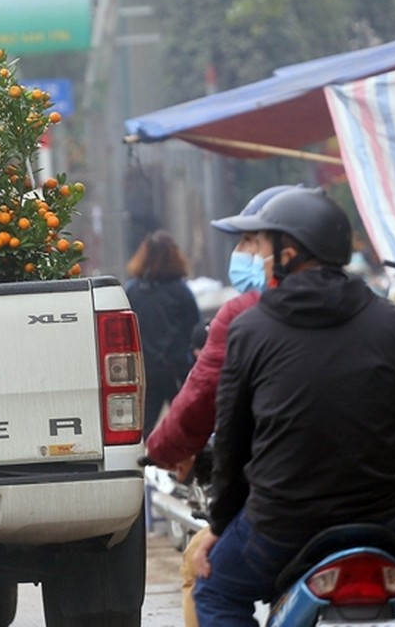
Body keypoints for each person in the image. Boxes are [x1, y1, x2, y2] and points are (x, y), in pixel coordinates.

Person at [192, 187, 395, 626]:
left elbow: (232, 442)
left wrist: (219, 525)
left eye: (263, 245)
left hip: (277, 526)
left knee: (214, 590)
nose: (259, 257)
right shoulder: (391, 322)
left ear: (288, 253)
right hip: (387, 516)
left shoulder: (249, 330)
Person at [144, 183, 297, 626]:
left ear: (286, 250)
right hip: (379, 509)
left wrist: (162, 450)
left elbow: (206, 410)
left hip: (284, 511)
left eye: (252, 241)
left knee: (205, 575)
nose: (244, 251)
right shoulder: (377, 314)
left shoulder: (241, 319)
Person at [124, 230, 201, 433]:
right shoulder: (181, 291)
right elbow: (194, 328)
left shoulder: (132, 290)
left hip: (144, 370)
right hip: (176, 368)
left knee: (142, 428)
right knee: (188, 423)